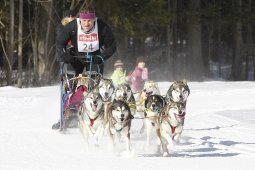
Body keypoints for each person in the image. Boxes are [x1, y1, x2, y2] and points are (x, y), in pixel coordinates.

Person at [56, 5, 116, 76]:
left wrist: (101, 57)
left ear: (94, 19)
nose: (86, 24)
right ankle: (72, 86)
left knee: (93, 81)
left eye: (89, 21)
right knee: (71, 79)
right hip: (75, 57)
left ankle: (91, 85)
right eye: (84, 20)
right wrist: (64, 55)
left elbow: (111, 46)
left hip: (94, 58)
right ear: (80, 19)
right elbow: (60, 42)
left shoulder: (102, 27)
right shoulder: (72, 26)